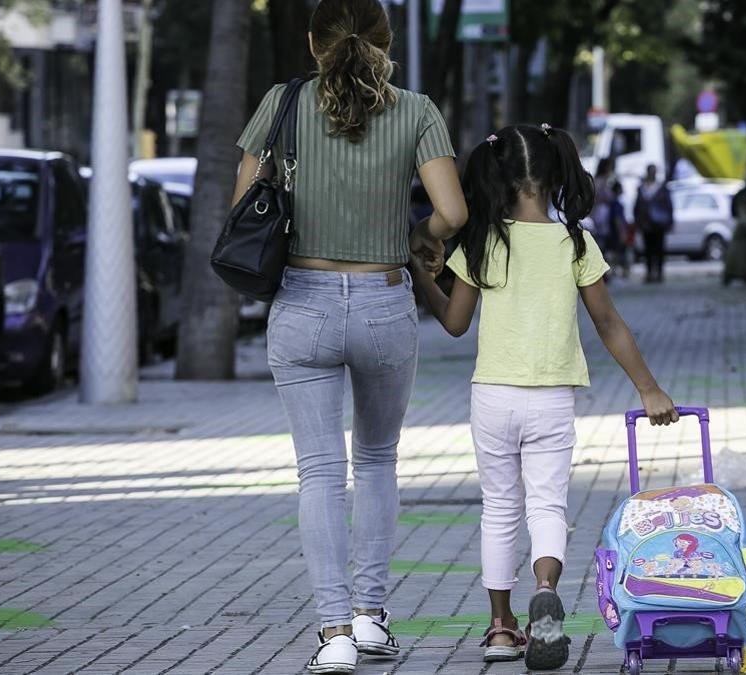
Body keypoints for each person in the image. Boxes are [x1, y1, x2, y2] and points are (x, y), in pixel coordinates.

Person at [232, 1, 467, 672]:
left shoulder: (282, 103)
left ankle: (333, 631)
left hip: (302, 302)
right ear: (386, 42)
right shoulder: (416, 110)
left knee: (319, 471)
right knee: (377, 461)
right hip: (383, 302)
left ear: (314, 42)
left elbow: (242, 202)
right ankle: (370, 617)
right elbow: (452, 212)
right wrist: (417, 239)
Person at [409, 124, 679, 671]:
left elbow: (455, 323)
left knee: (499, 508)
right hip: (552, 396)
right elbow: (609, 323)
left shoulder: (484, 242)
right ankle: (545, 590)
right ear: (554, 176)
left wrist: (420, 274)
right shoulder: (574, 243)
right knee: (548, 504)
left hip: (493, 396)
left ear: (499, 178)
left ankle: (500, 626)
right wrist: (649, 388)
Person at [633, 164, 673, 283]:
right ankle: (650, 272)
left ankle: (659, 273)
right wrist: (638, 221)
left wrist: (669, 221)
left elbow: (668, 206)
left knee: (659, 249)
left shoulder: (661, 188)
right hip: (646, 224)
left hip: (659, 224)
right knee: (648, 250)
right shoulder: (642, 188)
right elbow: (637, 207)